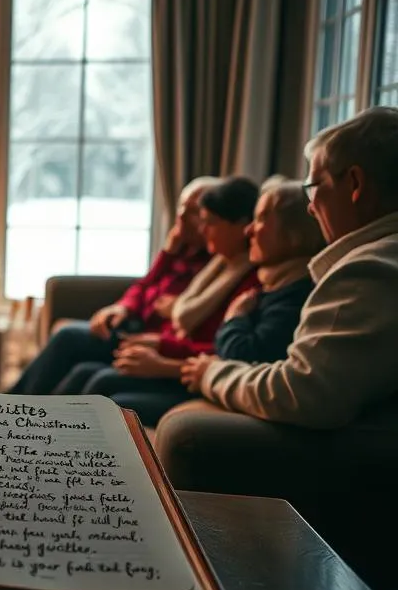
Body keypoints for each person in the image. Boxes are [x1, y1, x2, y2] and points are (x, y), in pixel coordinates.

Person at [181, 107, 398, 428]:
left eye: (314, 188)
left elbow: (301, 393)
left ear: (355, 184)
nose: (311, 207)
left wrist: (209, 373)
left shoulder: (367, 272)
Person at [69, 178, 322, 425]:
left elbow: (237, 354)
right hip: (175, 353)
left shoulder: (268, 286)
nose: (250, 230)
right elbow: (149, 288)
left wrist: (166, 354)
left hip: (198, 374)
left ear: (294, 232)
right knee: (91, 374)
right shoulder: (243, 272)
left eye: (209, 221)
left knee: (101, 383)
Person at [7, 176, 217, 395]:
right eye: (181, 207)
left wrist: (169, 318)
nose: (182, 216)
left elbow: (190, 324)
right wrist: (122, 306)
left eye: (193, 211)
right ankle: (14, 409)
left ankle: (17, 410)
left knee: (70, 343)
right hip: (134, 324)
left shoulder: (212, 264)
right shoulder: (179, 248)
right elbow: (143, 286)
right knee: (69, 341)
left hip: (148, 339)